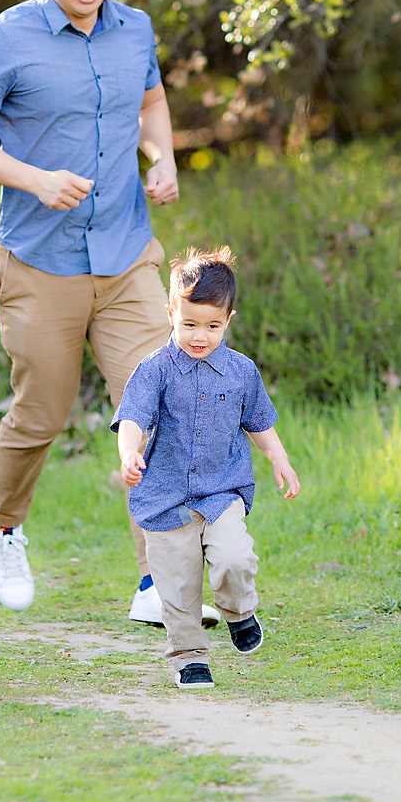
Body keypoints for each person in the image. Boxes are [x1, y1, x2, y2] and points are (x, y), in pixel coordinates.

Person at [0, 0, 219, 626]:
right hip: (40, 259)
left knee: (158, 405)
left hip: (126, 255)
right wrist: (33, 178)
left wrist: (163, 157)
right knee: (43, 411)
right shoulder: (6, 39)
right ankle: (1, 527)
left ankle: (159, 581)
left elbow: (150, 103)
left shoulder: (135, 30)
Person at [112, 247, 300, 688]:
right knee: (176, 589)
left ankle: (239, 611)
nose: (201, 336)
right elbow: (134, 417)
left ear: (229, 320)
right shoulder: (154, 369)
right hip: (165, 496)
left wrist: (280, 459)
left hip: (222, 491)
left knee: (236, 557)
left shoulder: (241, 372)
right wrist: (129, 452)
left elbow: (259, 422)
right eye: (190, 324)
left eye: (213, 326)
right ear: (171, 313)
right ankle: (189, 657)